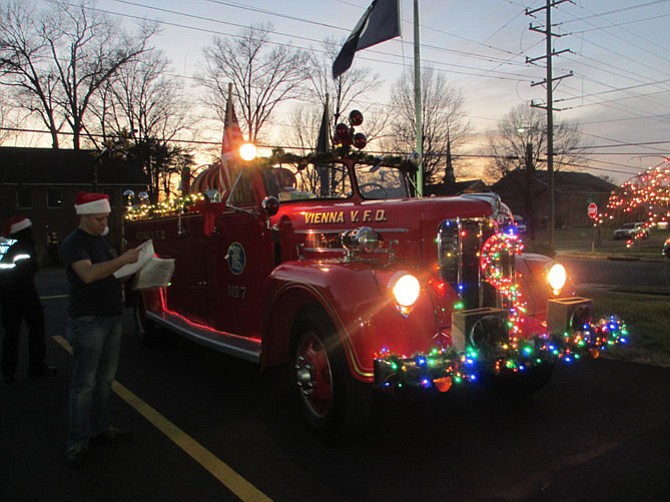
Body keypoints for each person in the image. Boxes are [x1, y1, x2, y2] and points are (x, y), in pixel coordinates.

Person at [61, 192, 141, 468]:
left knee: (105, 379)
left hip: (111, 317)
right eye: (98, 219)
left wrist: (139, 267)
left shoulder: (103, 240)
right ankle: (78, 442)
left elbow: (111, 273)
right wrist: (124, 260)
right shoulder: (74, 243)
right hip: (88, 320)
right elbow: (89, 274)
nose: (103, 223)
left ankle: (100, 428)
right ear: (84, 216)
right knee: (84, 384)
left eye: (105, 218)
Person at [0, 216, 56, 383]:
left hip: (6, 296)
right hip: (24, 294)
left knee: (10, 334)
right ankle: (36, 366)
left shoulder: (4, 246)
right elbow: (26, 272)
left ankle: (8, 370)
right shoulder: (24, 246)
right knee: (36, 330)